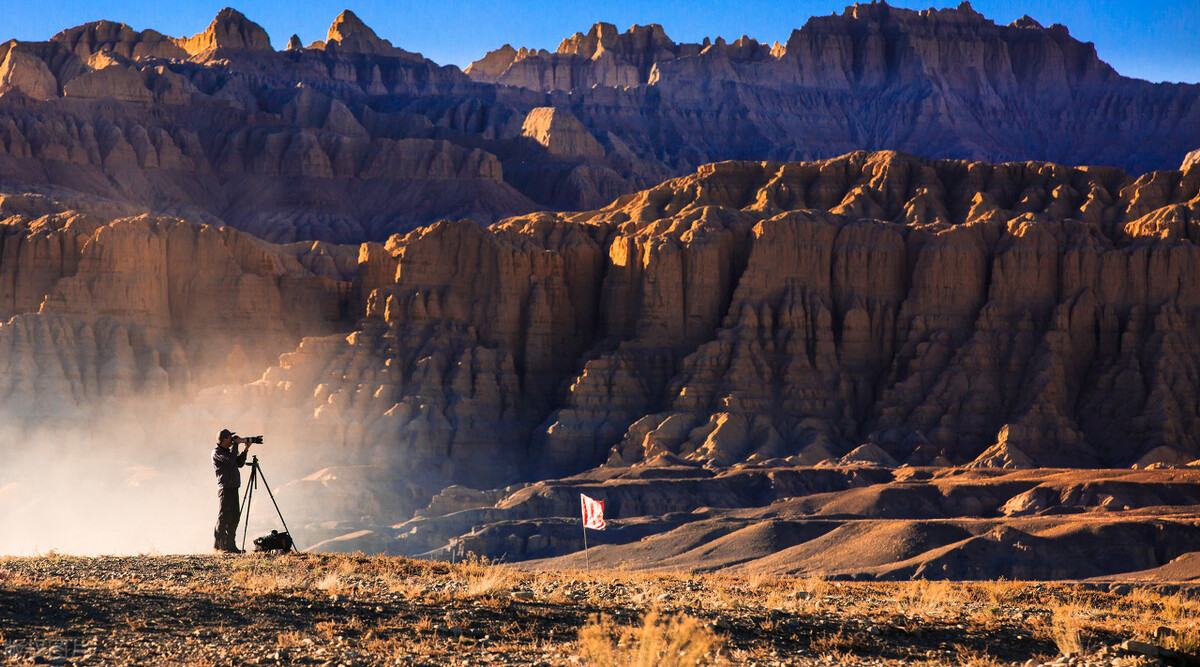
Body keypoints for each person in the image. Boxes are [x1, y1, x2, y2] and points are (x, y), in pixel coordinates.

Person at [212, 428, 253, 553]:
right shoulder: (217, 452)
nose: (232, 440)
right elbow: (230, 459)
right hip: (225, 488)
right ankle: (219, 546)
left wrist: (245, 449)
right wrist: (236, 445)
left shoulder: (229, 452)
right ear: (224, 439)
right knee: (224, 517)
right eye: (230, 438)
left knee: (234, 516)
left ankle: (230, 545)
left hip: (234, 487)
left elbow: (239, 463)